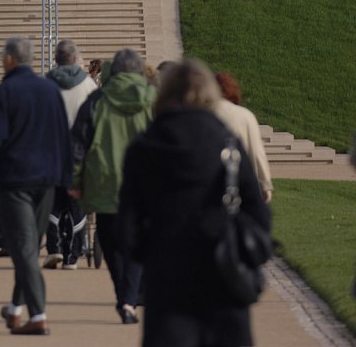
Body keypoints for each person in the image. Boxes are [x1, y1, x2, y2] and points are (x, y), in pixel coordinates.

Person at [119, 59, 271, 347]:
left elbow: (127, 226)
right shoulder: (227, 144)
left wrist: (150, 253)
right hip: (222, 272)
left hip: (167, 275)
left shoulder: (143, 147)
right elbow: (259, 213)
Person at [0, 36, 72, 336]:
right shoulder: (50, 89)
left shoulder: (3, 92)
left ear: (9, 59)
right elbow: (63, 136)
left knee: (23, 246)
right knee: (30, 247)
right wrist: (67, 178)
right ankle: (16, 308)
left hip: (15, 181)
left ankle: (39, 315)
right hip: (47, 180)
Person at [70, 47, 155, 325]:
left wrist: (75, 180)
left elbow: (78, 145)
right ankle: (128, 300)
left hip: (104, 182)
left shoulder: (96, 101)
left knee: (111, 243)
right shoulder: (153, 99)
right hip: (143, 184)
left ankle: (125, 297)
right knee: (137, 245)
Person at [43, 38, 97, 269]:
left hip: (51, 151)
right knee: (76, 203)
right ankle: (72, 256)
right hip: (80, 151)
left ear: (56, 59)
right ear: (75, 59)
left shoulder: (45, 83)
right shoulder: (88, 86)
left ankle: (54, 248)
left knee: (52, 202)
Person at [213, 71, 273, 202]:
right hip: (240, 183)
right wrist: (265, 184)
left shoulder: (199, 114)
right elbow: (257, 153)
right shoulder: (246, 115)